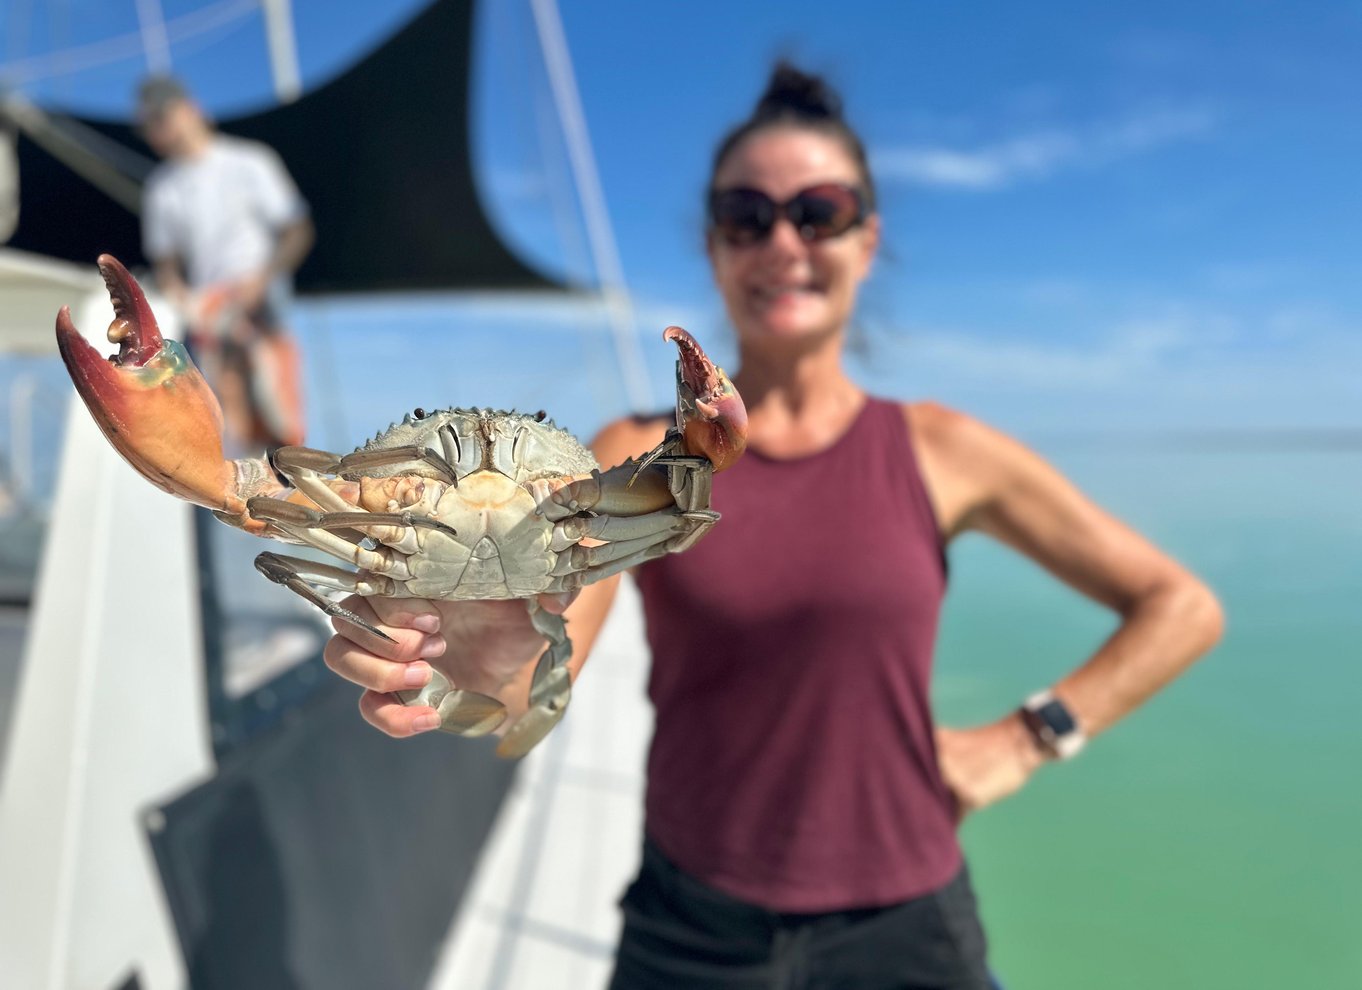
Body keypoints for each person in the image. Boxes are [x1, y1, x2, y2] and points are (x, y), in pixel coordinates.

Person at [320, 64, 1224, 989]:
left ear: (867, 240)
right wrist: (471, 659)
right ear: (714, 247)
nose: (783, 241)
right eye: (747, 216)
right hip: (691, 928)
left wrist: (1029, 738)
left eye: (820, 211)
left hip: (908, 922)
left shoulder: (944, 451)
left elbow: (1179, 606)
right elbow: (542, 662)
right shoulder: (636, 454)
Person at [136, 75, 313, 453]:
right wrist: (184, 300)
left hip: (262, 300)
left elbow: (297, 231)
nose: (159, 129)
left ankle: (285, 471)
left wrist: (261, 282)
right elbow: (166, 264)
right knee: (227, 422)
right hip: (209, 314)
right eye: (149, 123)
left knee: (279, 416)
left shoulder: (250, 160)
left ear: (190, 109)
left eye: (163, 115)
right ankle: (246, 482)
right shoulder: (161, 190)